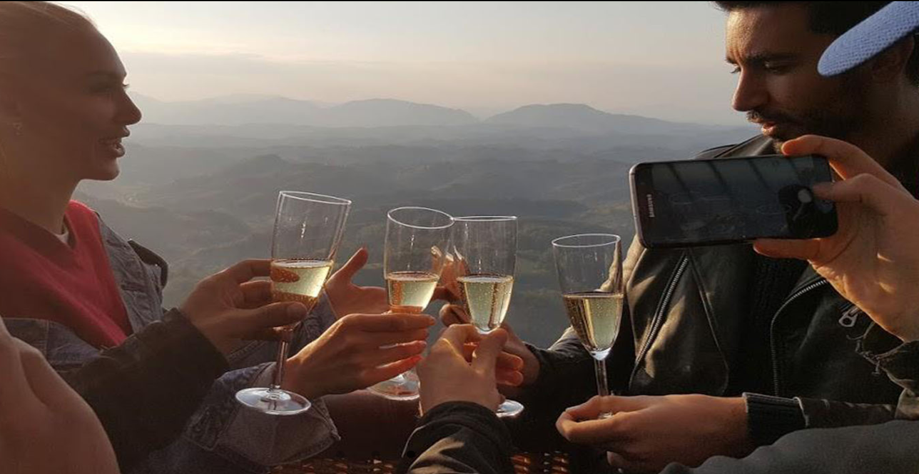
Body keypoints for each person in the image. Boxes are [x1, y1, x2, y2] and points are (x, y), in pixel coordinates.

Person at [438, 1, 919, 471]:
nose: (742, 99)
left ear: (886, 55)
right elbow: (610, 353)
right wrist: (536, 371)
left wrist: (753, 427)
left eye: (774, 66)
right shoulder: (703, 186)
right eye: (737, 71)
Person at [0, 2, 433, 473]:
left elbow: (166, 386)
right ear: (9, 102)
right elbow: (127, 453)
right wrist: (296, 382)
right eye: (101, 89)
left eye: (124, 87)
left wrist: (315, 317)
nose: (133, 112)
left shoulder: (92, 233)